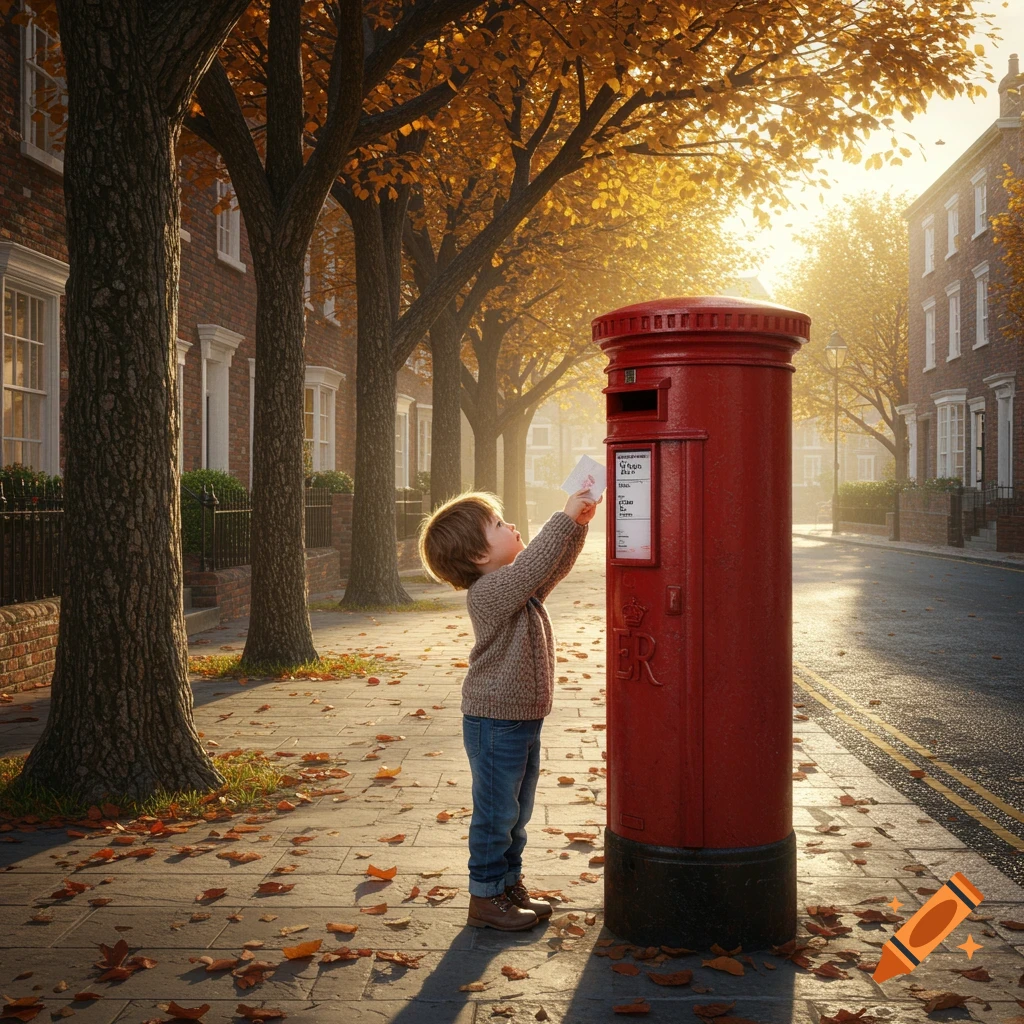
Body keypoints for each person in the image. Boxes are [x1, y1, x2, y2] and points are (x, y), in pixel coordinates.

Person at [418, 487, 600, 930]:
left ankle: (507, 885)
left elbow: (552, 568)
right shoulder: (490, 592)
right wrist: (563, 516)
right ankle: (484, 897)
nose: (512, 525)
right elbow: (536, 563)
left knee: (516, 814)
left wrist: (578, 525)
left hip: (520, 719)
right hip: (495, 720)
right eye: (499, 525)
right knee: (496, 814)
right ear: (479, 556)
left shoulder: (517, 591)